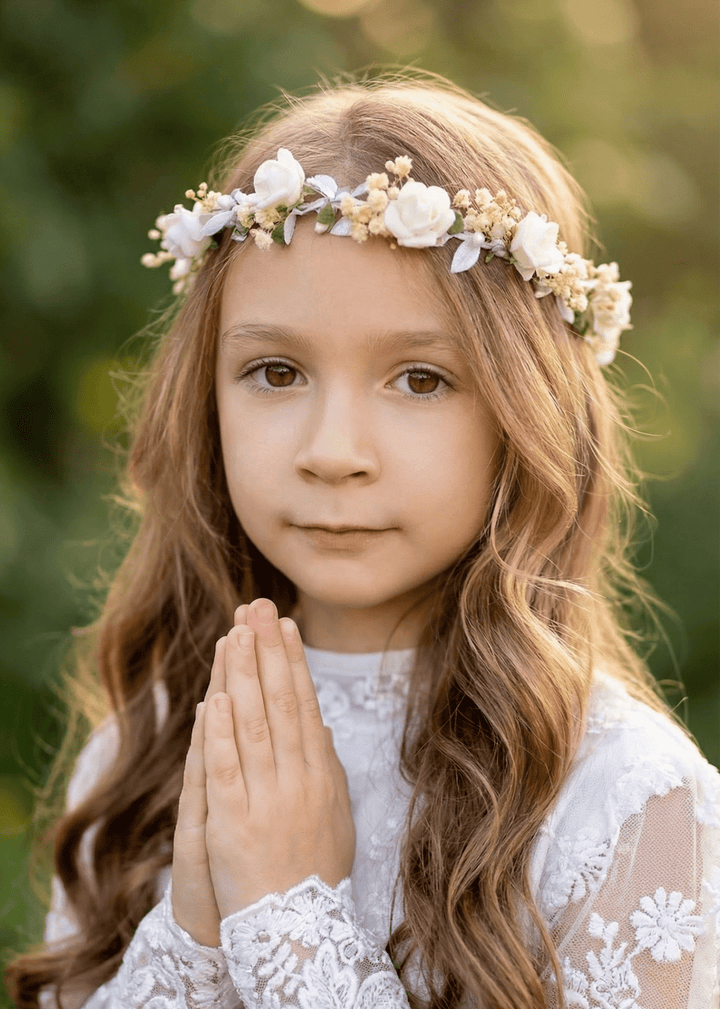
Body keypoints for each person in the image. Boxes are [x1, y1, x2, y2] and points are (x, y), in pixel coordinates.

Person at [5, 69, 719, 1009]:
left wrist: (288, 920)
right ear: (203, 398)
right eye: (274, 370)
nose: (332, 452)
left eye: (420, 379)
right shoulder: (143, 754)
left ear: (526, 412)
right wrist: (192, 939)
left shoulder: (630, 803)